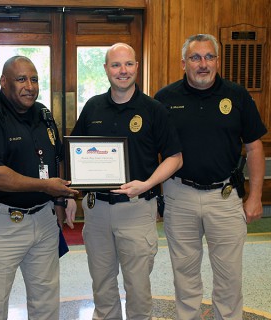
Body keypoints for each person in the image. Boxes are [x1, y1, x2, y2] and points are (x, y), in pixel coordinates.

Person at [154, 33, 267, 320]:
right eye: (195, 58)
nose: (203, 64)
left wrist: (255, 197)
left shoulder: (237, 95)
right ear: (183, 63)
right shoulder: (165, 99)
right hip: (180, 197)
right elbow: (150, 150)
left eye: (209, 57)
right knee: (185, 277)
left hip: (225, 198)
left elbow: (254, 147)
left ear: (217, 60)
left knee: (229, 279)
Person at [71, 43, 183, 319]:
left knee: (138, 289)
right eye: (116, 65)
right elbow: (75, 154)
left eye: (128, 64)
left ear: (136, 66)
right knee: (102, 285)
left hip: (136, 208)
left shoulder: (154, 109)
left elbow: (175, 158)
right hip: (96, 211)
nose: (123, 71)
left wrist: (146, 185)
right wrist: (71, 195)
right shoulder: (93, 107)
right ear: (106, 69)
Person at [0, 55, 78, 320]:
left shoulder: (44, 114)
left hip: (43, 220)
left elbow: (57, 159)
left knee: (46, 304)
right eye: (21, 79)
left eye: (34, 79)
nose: (30, 85)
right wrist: (46, 186)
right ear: (4, 82)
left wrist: (61, 200)